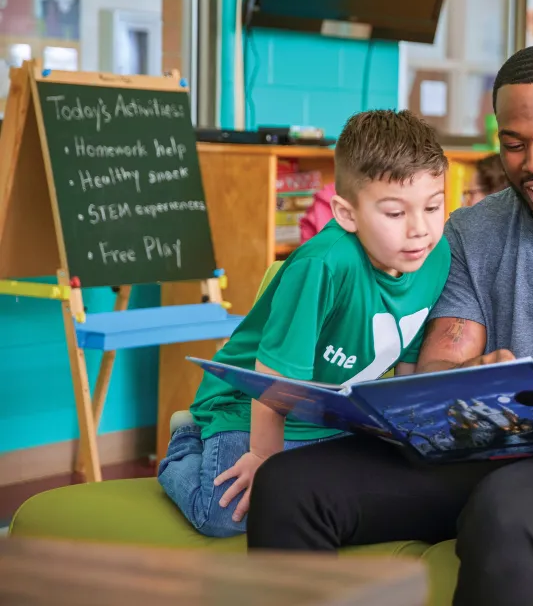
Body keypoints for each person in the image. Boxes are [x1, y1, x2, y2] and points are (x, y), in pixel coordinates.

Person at [245, 44, 533, 606]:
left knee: (506, 505)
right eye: (514, 145)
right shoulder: (472, 231)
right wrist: (470, 377)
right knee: (290, 486)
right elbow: (441, 360)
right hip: (487, 452)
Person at [158, 110, 452, 537]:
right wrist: (263, 458)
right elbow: (271, 379)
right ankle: (187, 441)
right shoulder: (323, 265)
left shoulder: (434, 256)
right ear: (346, 214)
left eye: (433, 206)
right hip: (248, 407)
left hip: (327, 420)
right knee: (224, 515)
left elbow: (406, 355)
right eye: (394, 214)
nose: (420, 230)